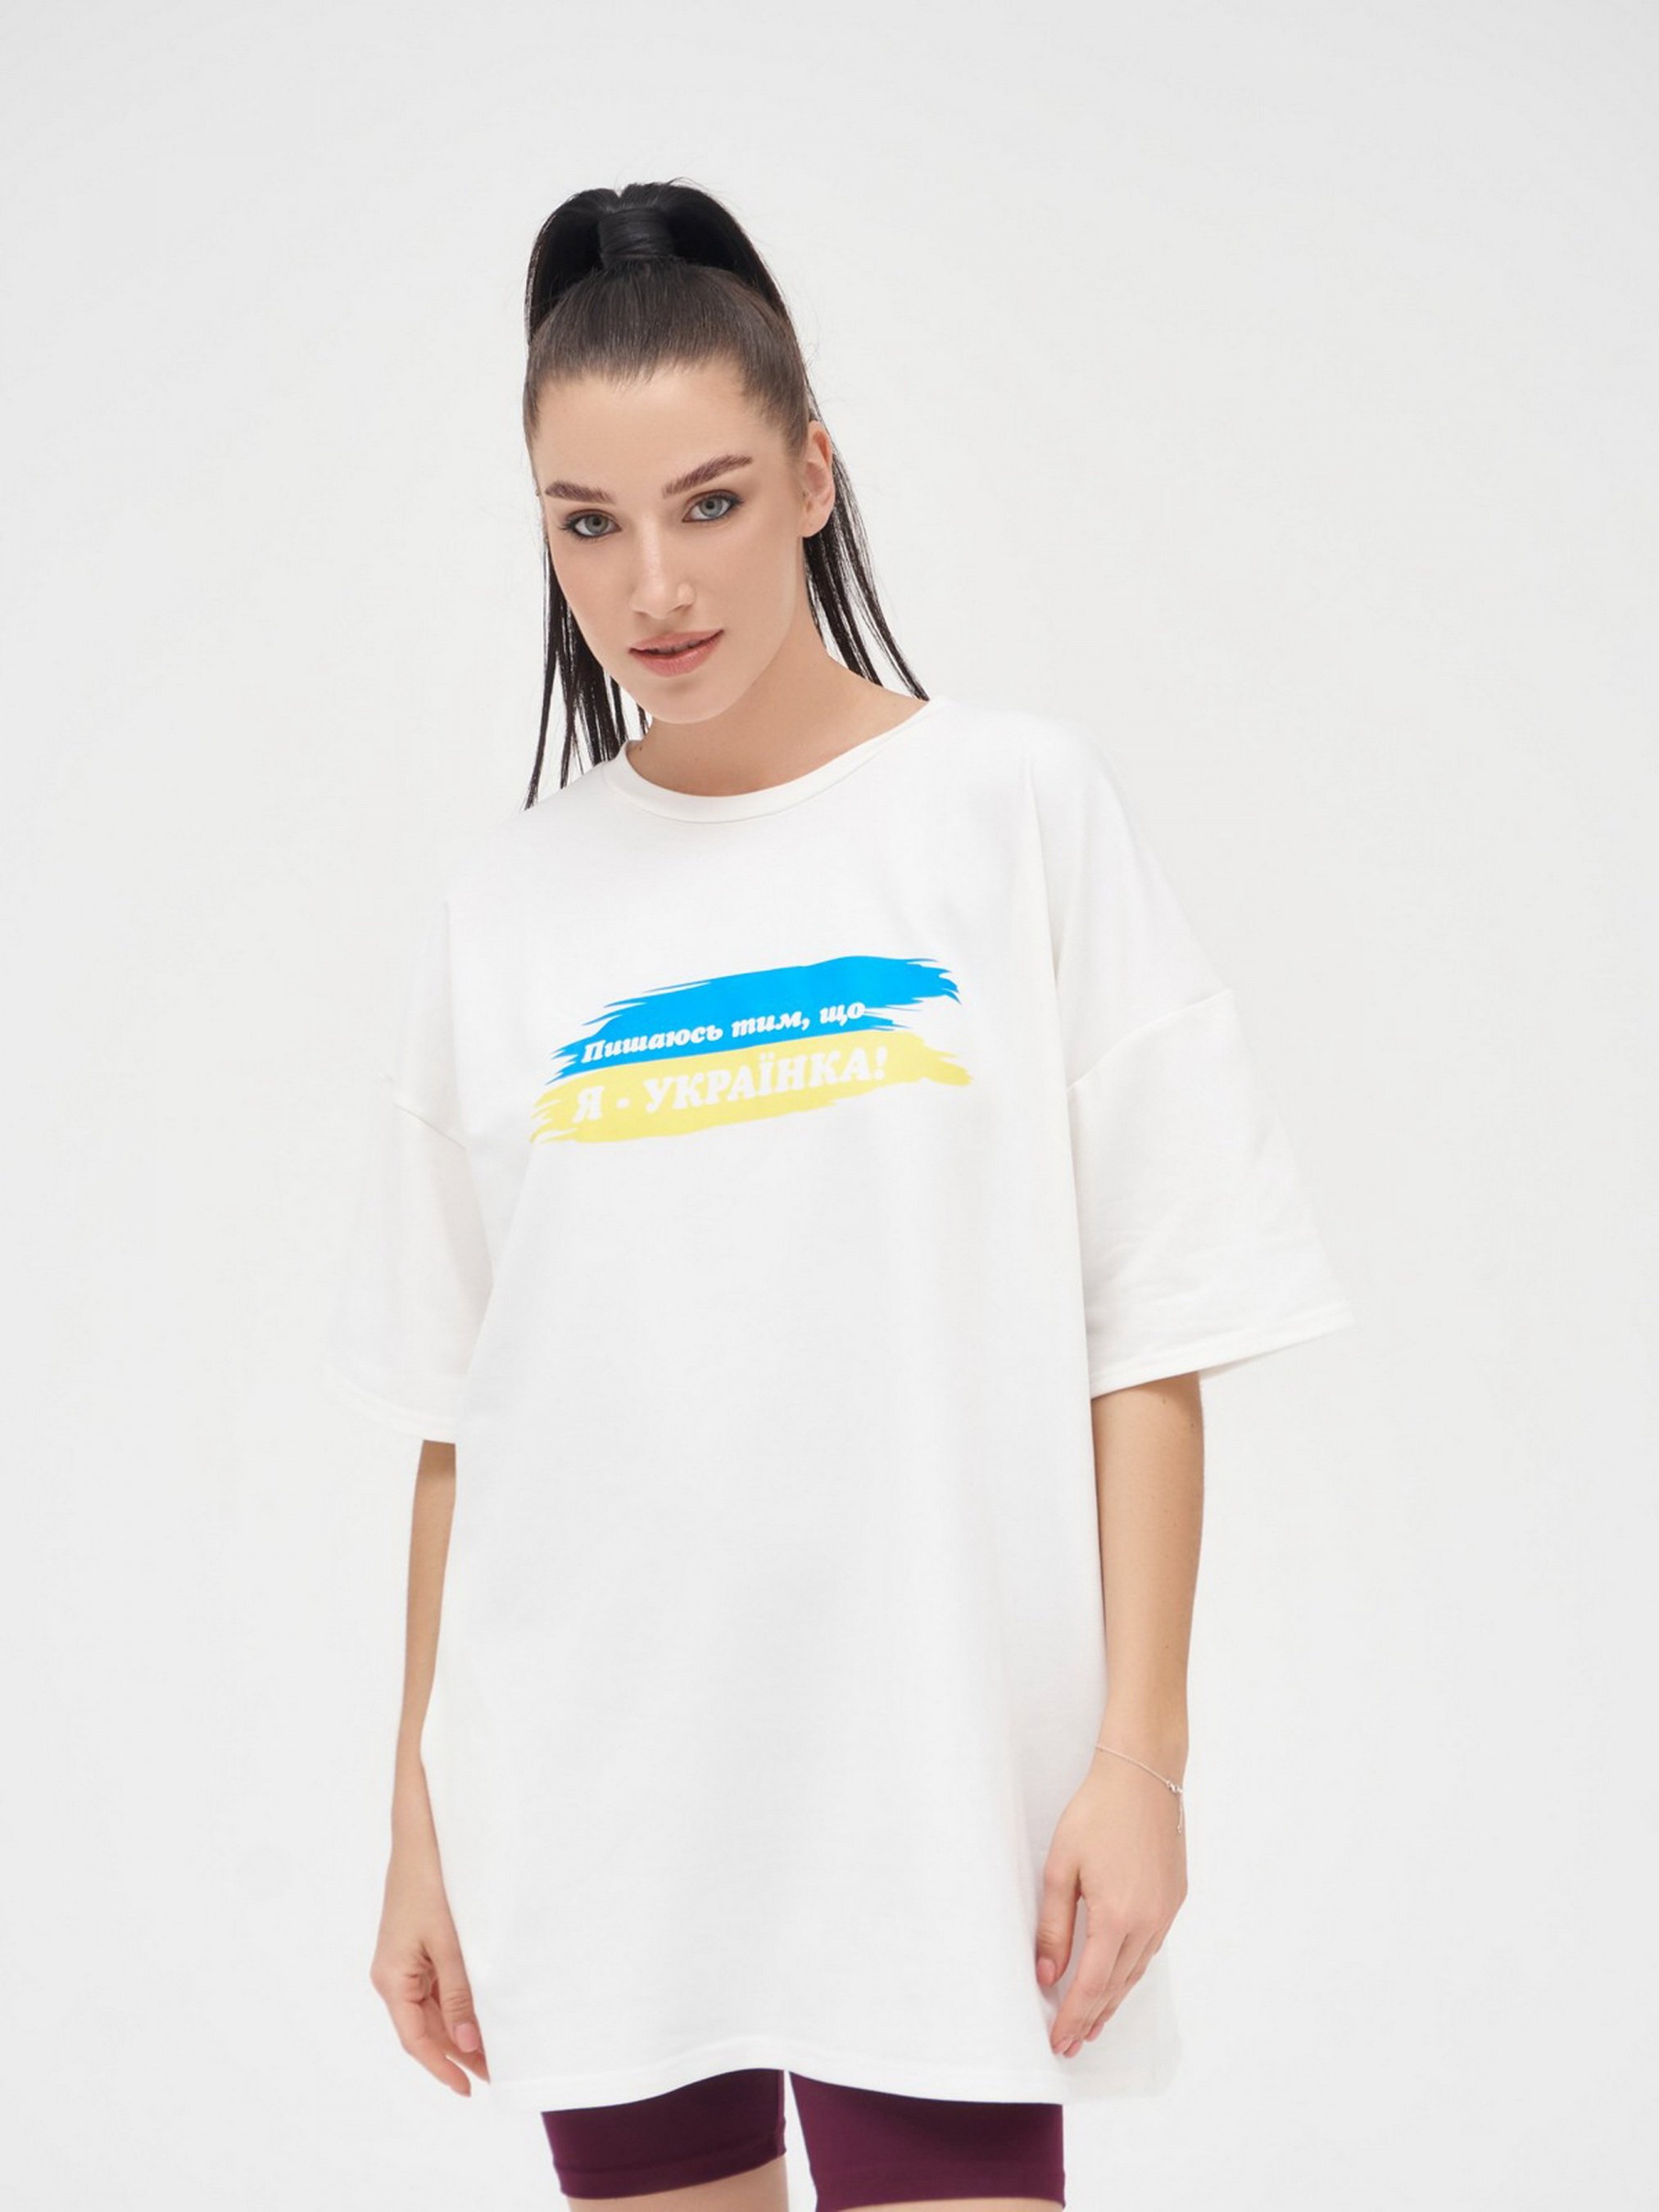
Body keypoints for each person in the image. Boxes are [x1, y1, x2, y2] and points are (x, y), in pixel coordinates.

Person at [322, 179, 1356, 2212]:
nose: (651, 587)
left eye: (707, 503)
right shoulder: (508, 905)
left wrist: (1138, 1757)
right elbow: (461, 1420)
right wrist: (417, 1820)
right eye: (585, 524)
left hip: (937, 1783)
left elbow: (1150, 1326)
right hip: (598, 1790)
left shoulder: (1007, 812)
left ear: (811, 474)